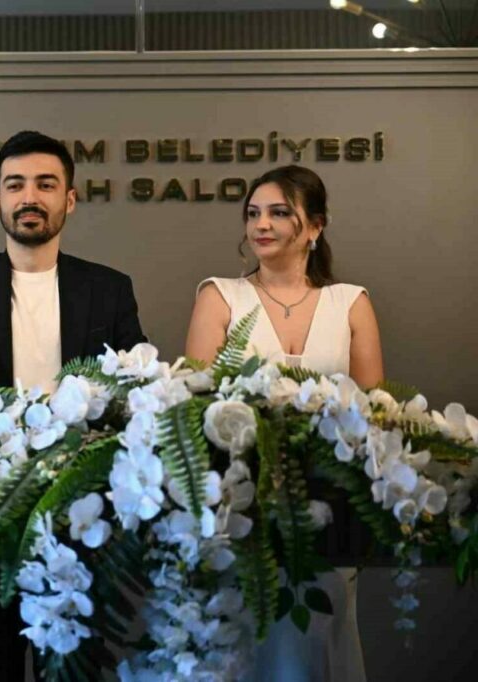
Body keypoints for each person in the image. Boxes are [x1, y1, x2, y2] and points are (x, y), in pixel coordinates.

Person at [0, 130, 146, 681]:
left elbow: (135, 394)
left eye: (45, 184)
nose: (29, 197)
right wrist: (1, 443)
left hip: (83, 508)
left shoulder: (109, 288)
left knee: (74, 670)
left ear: (70, 199)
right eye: (15, 185)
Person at [185, 164, 383, 682]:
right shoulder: (219, 295)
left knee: (321, 643)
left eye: (278, 213)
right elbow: (196, 407)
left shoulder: (351, 303)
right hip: (242, 510)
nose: (261, 225)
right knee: (248, 642)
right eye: (253, 213)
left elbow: (374, 414)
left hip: (331, 511)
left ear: (315, 226)